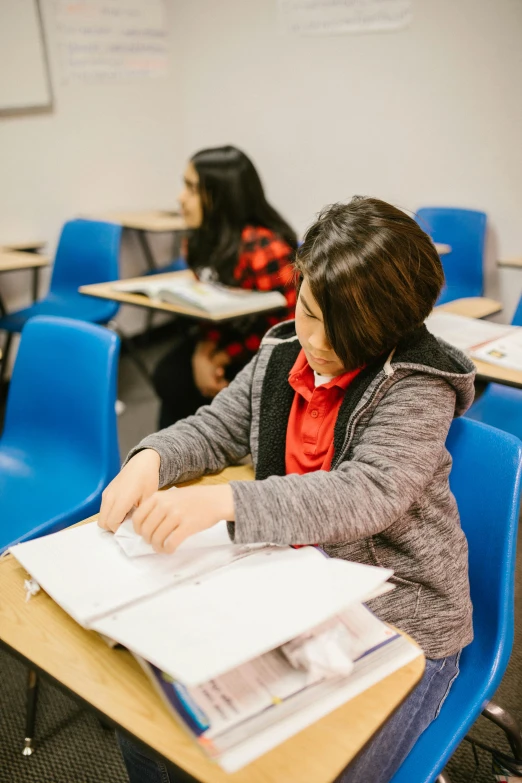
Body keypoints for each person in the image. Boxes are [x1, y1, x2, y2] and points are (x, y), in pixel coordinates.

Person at [99, 196, 475, 783]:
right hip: (287, 585)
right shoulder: (282, 352)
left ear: (392, 326)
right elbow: (216, 427)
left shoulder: (417, 383)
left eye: (348, 330)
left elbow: (367, 493)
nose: (319, 342)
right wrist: (152, 457)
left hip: (398, 615)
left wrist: (225, 502)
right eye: (308, 312)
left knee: (308, 769)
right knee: (152, 729)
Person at [152, 145, 298, 428]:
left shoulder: (265, 248)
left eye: (192, 189)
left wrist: (218, 357)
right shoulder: (202, 239)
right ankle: (164, 456)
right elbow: (210, 307)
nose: (181, 198)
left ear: (222, 196)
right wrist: (202, 352)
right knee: (168, 375)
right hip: (224, 341)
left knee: (175, 383)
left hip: (263, 352)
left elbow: (288, 330)